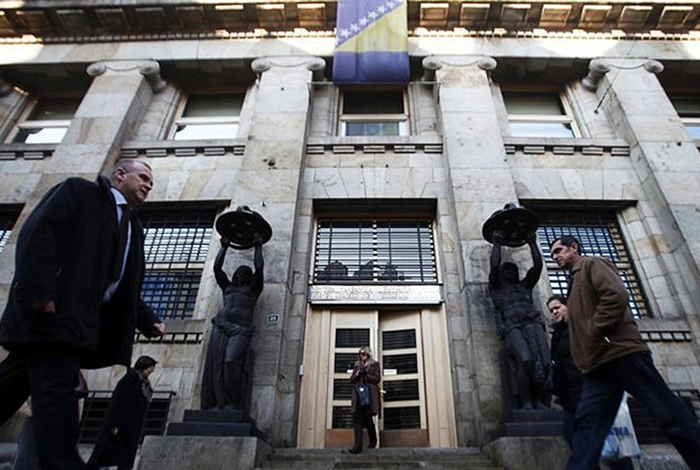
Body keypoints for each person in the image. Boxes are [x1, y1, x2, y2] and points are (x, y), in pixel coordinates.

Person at [0, 159, 165, 470]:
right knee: (57, 397)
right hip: (54, 315)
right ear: (120, 175)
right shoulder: (80, 194)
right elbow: (38, 233)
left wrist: (146, 319)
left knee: (11, 386)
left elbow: (121, 284)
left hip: (81, 324)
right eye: (143, 177)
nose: (148, 185)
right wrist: (39, 290)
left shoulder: (134, 228)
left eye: (151, 183)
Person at [550, 235, 700, 470]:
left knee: (668, 413)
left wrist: (594, 330)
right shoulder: (573, 282)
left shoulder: (592, 264)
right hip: (598, 365)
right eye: (553, 254)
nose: (555, 256)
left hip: (623, 354)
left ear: (574, 248)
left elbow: (615, 296)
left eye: (559, 250)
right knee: (587, 429)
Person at [548, 295, 634, 470]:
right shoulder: (557, 333)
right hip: (570, 397)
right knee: (574, 436)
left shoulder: (580, 326)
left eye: (557, 307)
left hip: (589, 391)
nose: (554, 312)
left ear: (567, 306)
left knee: (609, 440)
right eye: (551, 310)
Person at [201, 235, 263, 410]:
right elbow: (217, 268)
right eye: (239, 272)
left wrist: (258, 247)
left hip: (241, 329)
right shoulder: (228, 287)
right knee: (217, 365)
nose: (242, 274)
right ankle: (219, 403)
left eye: (246, 272)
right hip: (221, 326)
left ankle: (233, 401)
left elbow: (259, 268)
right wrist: (224, 247)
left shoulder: (253, 289)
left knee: (230, 362)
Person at [489, 234, 551, 409]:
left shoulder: (525, 286)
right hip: (513, 326)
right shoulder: (498, 289)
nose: (511, 272)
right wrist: (496, 244)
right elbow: (494, 265)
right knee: (525, 360)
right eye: (507, 270)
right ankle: (526, 402)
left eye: (513, 270)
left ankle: (538, 400)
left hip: (533, 324)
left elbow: (537, 266)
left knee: (544, 363)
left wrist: (532, 243)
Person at [86, 355, 157, 470]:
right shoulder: (130, 380)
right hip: (121, 425)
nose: (151, 372)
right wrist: (113, 424)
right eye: (150, 369)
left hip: (131, 427)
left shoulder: (143, 384)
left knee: (126, 457)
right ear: (144, 367)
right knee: (103, 454)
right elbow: (117, 402)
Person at [347, 346, 381, 454]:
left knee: (368, 419)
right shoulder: (357, 366)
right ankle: (357, 446)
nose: (362, 356)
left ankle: (373, 441)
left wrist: (366, 375)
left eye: (364, 354)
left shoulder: (374, 364)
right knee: (357, 419)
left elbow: (377, 378)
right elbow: (351, 380)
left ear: (368, 354)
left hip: (369, 395)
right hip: (358, 395)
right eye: (360, 354)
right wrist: (357, 373)